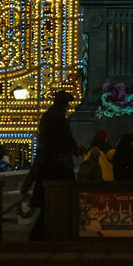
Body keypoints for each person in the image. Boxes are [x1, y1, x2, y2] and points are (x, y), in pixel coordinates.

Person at [22, 91, 81, 241]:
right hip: (57, 165)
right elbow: (65, 139)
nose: (68, 107)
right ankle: (43, 234)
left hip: (47, 163)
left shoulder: (48, 116)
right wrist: (76, 149)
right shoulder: (58, 119)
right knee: (59, 199)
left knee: (49, 203)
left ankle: (39, 234)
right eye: (66, 104)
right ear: (62, 103)